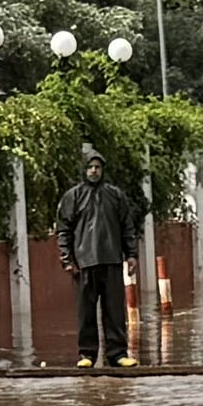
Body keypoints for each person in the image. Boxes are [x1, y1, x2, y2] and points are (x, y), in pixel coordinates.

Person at [55, 141, 145, 370]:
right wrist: (67, 259)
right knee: (85, 313)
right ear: (84, 170)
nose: (94, 170)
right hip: (84, 263)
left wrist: (131, 255)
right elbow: (63, 229)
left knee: (115, 310)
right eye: (90, 167)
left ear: (103, 170)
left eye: (97, 167)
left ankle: (117, 354)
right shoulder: (72, 197)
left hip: (112, 260)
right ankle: (87, 354)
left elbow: (128, 226)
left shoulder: (115, 196)